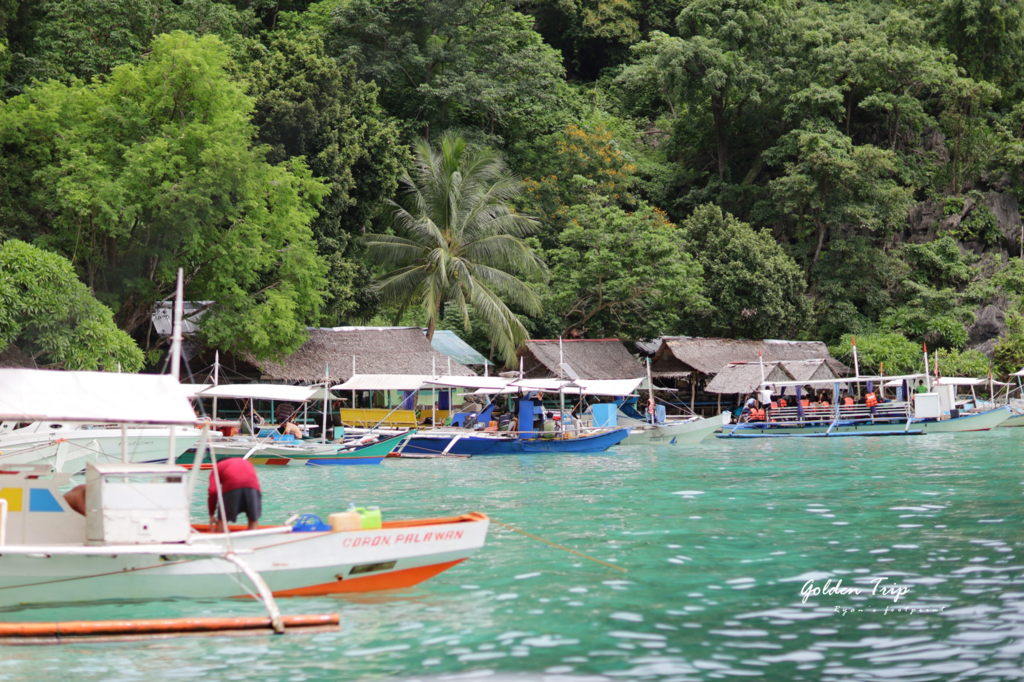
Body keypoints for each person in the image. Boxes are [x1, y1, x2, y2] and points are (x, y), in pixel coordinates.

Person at [209, 458, 261, 532]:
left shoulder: (217, 467)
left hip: (231, 487)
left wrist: (211, 514)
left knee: (223, 520)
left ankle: (221, 539)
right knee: (253, 519)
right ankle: (253, 541)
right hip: (254, 487)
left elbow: (213, 491)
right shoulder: (245, 462)